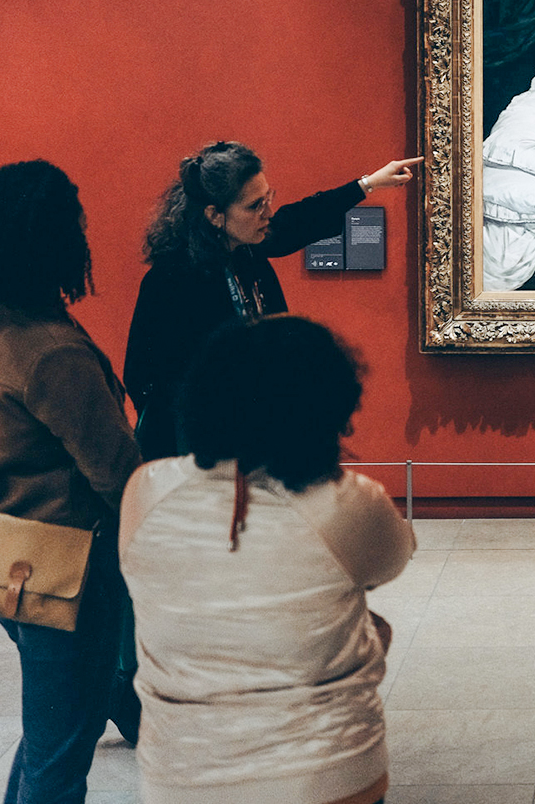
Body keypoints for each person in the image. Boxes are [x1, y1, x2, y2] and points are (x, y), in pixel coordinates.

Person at [119, 315, 415, 804]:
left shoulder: (147, 491)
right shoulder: (348, 501)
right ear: (328, 406)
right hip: (325, 773)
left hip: (183, 773)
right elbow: (392, 560)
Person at [0, 161, 141, 804]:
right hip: (69, 564)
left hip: (4, 554)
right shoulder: (50, 349)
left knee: (56, 727)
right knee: (57, 756)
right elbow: (115, 472)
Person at [125, 141, 420, 461]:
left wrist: (368, 184)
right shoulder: (171, 280)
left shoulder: (245, 249)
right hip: (203, 452)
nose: (267, 213)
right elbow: (146, 376)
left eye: (268, 198)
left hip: (253, 436)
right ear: (215, 215)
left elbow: (298, 220)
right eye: (254, 206)